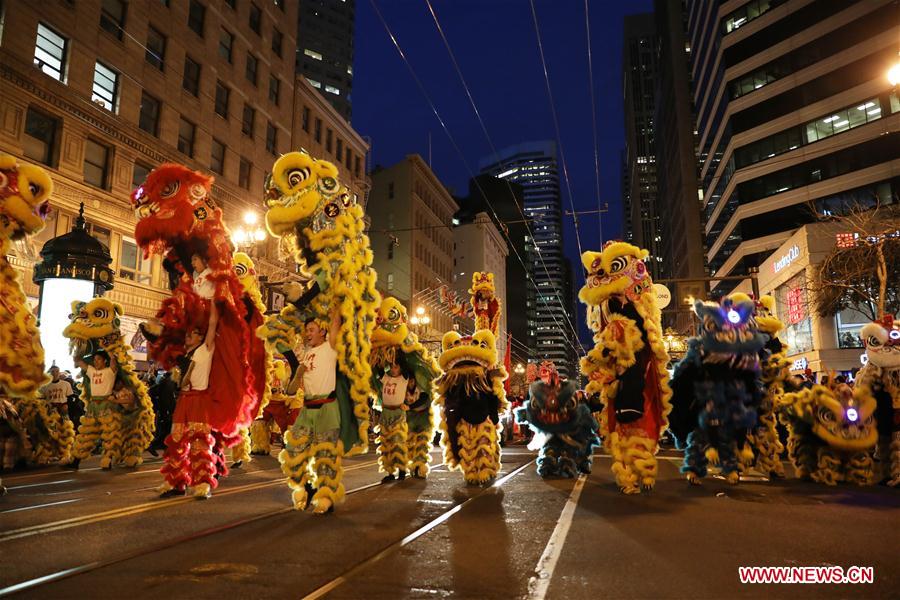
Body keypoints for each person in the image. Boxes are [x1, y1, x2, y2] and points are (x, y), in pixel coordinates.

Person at [281, 307, 343, 513]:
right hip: (306, 409)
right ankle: (308, 486)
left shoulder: (330, 348)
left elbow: (335, 321)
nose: (307, 333)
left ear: (323, 331)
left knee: (326, 457)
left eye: (311, 329)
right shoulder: (305, 353)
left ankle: (325, 499)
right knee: (293, 451)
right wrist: (297, 374)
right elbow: (290, 391)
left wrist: (337, 296)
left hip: (327, 408)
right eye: (306, 330)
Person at [159, 301, 218, 499]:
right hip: (183, 399)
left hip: (199, 400)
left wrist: (215, 302)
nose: (188, 336)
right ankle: (176, 481)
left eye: (192, 333)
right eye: (187, 334)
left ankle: (202, 483)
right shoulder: (185, 355)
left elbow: (212, 323)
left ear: (201, 337)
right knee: (176, 440)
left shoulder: (206, 349)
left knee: (199, 444)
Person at [69, 351, 119, 469]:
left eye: (99, 359)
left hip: (106, 405)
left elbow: (113, 363)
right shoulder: (91, 371)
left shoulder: (110, 371)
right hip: (93, 406)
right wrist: (78, 349)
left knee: (109, 434)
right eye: (94, 359)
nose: (96, 362)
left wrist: (110, 351)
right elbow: (79, 362)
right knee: (86, 434)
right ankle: (76, 460)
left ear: (104, 361)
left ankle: (107, 461)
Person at [378, 361, 410, 482]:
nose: (393, 369)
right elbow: (378, 366)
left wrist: (396, 350)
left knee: (398, 442)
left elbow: (404, 360)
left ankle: (402, 470)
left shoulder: (403, 379)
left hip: (398, 413)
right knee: (386, 443)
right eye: (391, 366)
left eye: (396, 366)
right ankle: (390, 472)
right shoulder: (386, 377)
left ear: (401, 369)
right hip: (386, 413)